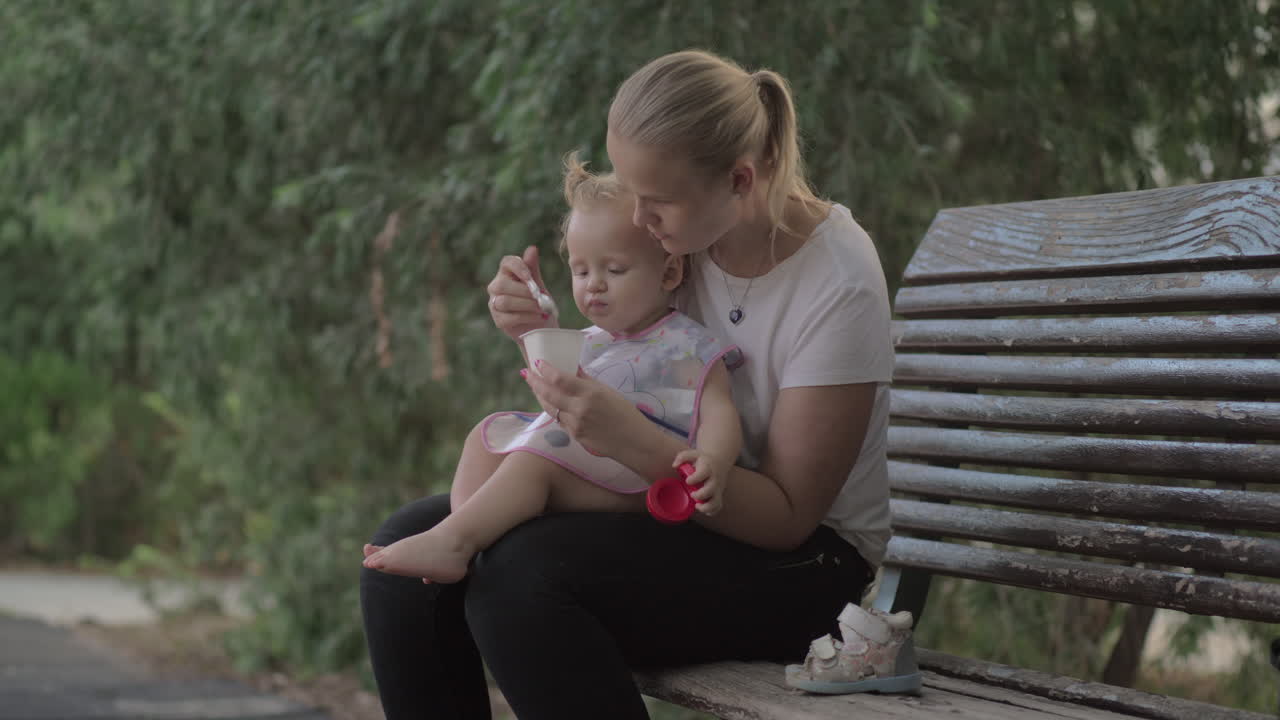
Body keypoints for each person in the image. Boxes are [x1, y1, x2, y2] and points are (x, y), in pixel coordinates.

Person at [359, 49, 898, 720]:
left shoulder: (834, 282)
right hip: (672, 513)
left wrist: (632, 441)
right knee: (406, 555)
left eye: (656, 203)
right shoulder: (686, 236)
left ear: (738, 180)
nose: (638, 219)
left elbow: (789, 519)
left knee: (524, 577)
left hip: (809, 567)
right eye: (630, 190)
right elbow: (626, 343)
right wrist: (532, 324)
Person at [361, 155, 741, 583]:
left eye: (614, 269)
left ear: (669, 271)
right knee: (486, 437)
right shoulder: (590, 341)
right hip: (587, 463)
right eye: (581, 270)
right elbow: (557, 403)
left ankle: (454, 542)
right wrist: (538, 332)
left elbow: (720, 410)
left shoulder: (688, 343)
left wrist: (714, 461)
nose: (594, 283)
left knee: (533, 463)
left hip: (643, 481)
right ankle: (473, 543)